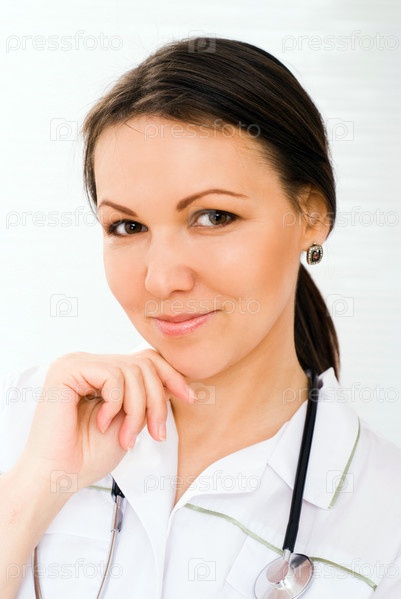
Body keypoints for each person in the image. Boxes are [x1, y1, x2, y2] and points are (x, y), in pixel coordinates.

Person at [1, 36, 401, 599]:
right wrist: (35, 487)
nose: (161, 279)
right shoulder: (30, 421)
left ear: (311, 216)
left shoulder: (384, 517)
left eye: (213, 216)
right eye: (127, 227)